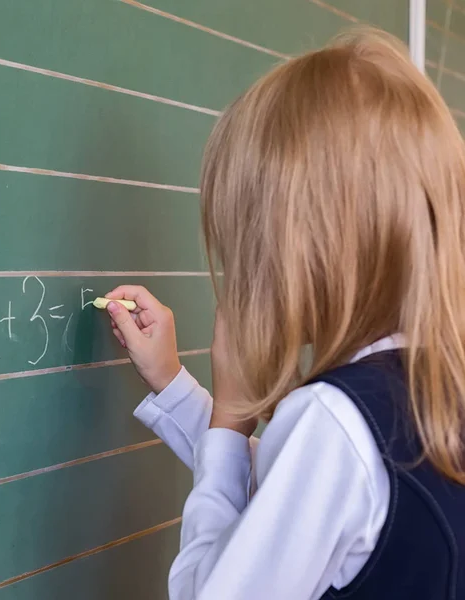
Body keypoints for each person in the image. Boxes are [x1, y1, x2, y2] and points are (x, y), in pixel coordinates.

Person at [103, 28, 465, 600]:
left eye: (247, 242)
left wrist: (227, 424)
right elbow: (297, 507)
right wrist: (177, 388)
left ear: (301, 246)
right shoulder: (431, 391)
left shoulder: (333, 419)